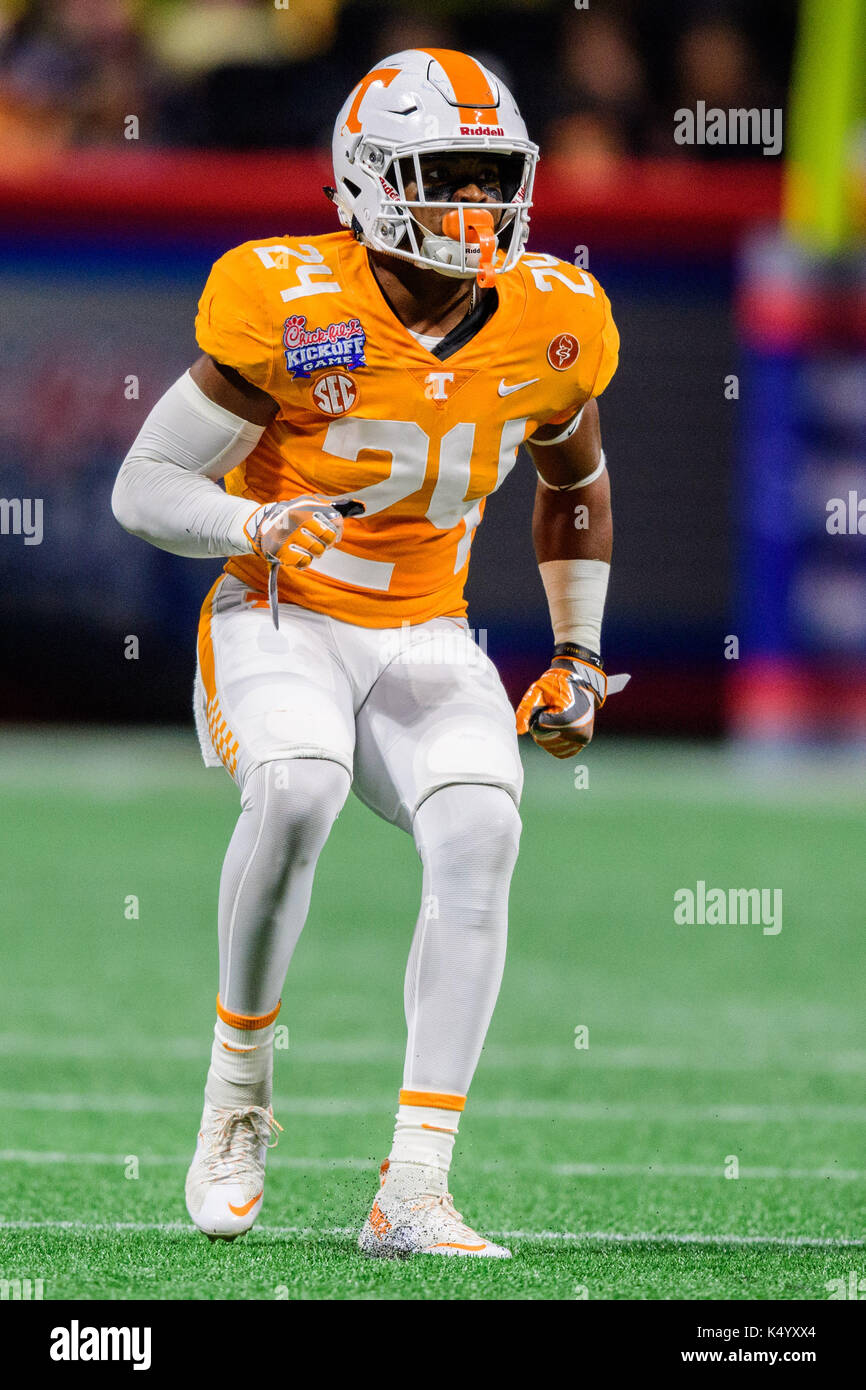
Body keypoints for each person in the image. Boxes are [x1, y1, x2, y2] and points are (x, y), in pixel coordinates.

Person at [112, 47, 620, 1260]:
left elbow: (575, 482)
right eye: (442, 175)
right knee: (295, 785)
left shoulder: (554, 316)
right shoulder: (288, 299)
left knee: (484, 825)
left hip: (422, 632)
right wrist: (249, 520)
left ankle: (413, 1188)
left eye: (489, 178)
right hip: (276, 611)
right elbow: (144, 484)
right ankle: (237, 1091)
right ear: (364, 179)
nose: (471, 206)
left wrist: (578, 654)